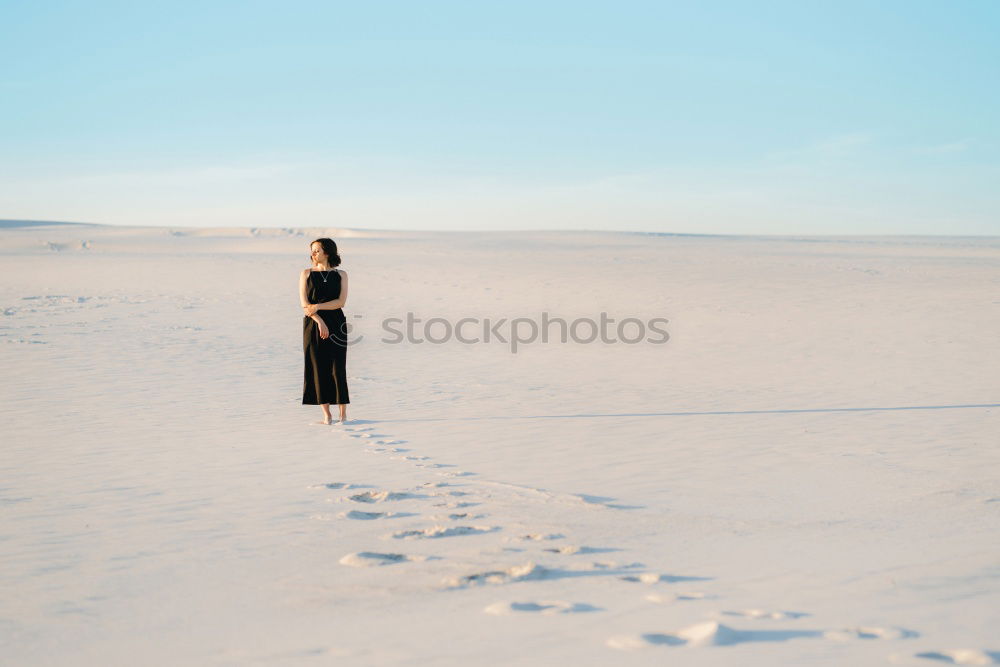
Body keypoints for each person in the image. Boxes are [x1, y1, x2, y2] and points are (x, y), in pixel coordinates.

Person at [300, 238, 350, 424]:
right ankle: (327, 415)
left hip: (337, 323)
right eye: (312, 250)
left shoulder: (341, 275)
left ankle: (343, 415)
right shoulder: (305, 274)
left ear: (327, 252)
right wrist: (319, 320)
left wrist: (318, 306)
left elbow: (341, 302)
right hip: (313, 325)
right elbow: (305, 306)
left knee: (337, 367)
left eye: (317, 250)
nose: (313, 254)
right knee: (318, 367)